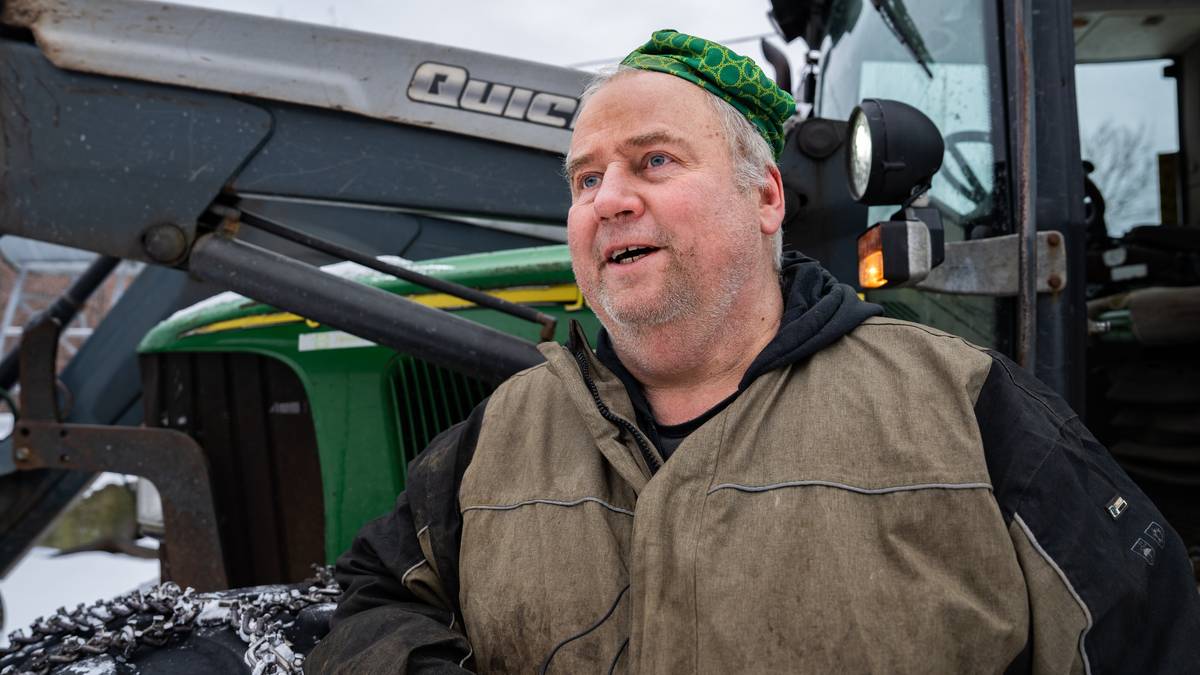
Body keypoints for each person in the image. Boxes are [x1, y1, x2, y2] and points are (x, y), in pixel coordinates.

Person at [307, 30, 1200, 673]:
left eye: (654, 162)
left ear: (766, 197)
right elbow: (370, 598)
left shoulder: (964, 408)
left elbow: (1150, 634)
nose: (607, 198)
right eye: (586, 178)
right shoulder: (501, 432)